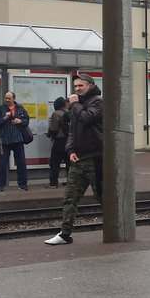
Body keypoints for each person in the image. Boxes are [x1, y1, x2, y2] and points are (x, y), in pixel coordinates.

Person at [44, 74, 104, 245]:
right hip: (78, 158)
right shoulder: (78, 106)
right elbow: (71, 130)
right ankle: (64, 233)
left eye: (81, 86)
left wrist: (76, 104)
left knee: (103, 197)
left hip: (96, 157)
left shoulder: (98, 102)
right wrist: (70, 149)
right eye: (75, 86)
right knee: (70, 197)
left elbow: (87, 118)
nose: (77, 89)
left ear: (91, 85)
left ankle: (115, 229)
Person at [0, 91, 30, 191]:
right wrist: (4, 118)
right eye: (6, 98)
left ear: (14, 99)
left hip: (18, 140)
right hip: (5, 140)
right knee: (2, 164)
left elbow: (27, 121)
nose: (7, 100)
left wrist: (20, 121)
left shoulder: (20, 108)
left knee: (21, 163)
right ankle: (0, 185)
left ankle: (23, 184)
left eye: (9, 98)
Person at [45, 96, 70, 187]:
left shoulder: (56, 114)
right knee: (69, 163)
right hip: (69, 141)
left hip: (59, 140)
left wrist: (49, 134)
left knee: (55, 162)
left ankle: (53, 183)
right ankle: (70, 182)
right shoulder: (70, 113)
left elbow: (54, 128)